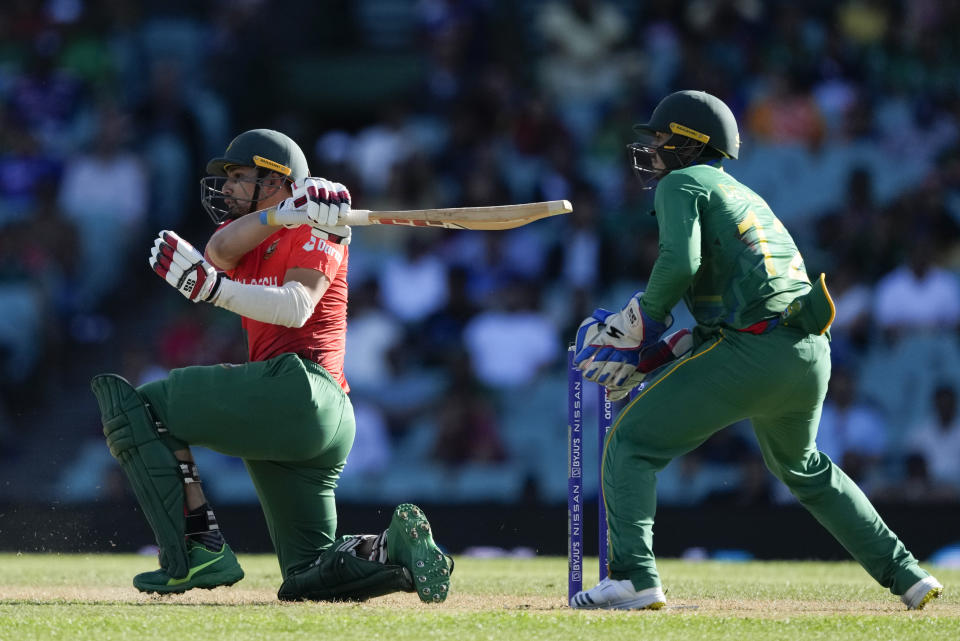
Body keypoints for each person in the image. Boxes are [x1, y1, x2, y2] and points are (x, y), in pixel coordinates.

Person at [569, 91, 943, 611]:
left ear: (689, 143)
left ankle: (634, 578)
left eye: (660, 137)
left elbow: (680, 264)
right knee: (806, 468)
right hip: (809, 350)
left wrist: (640, 324)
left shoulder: (682, 181)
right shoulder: (747, 195)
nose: (651, 149)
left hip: (754, 351)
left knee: (631, 444)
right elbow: (730, 304)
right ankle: (907, 573)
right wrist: (655, 354)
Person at [89, 128, 453, 603]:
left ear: (276, 178)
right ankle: (394, 549)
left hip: (303, 390)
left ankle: (196, 550)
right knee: (305, 574)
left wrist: (216, 291)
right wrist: (283, 211)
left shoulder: (322, 226)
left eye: (240, 177)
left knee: (147, 405)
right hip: (307, 417)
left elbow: (297, 306)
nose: (228, 189)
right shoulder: (256, 232)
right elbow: (218, 251)